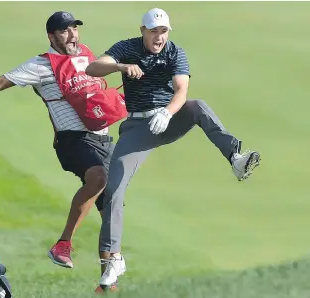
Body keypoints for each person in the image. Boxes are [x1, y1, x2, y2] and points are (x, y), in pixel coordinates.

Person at [0, 11, 124, 284]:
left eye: (75, 29)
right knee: (98, 178)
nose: (72, 35)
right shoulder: (41, 65)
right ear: (51, 36)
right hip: (72, 141)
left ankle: (107, 285)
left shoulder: (90, 57)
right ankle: (63, 244)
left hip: (103, 141)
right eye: (65, 31)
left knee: (111, 211)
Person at [85, 7, 262, 288]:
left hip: (167, 118)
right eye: (153, 31)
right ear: (143, 31)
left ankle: (236, 158)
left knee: (198, 107)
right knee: (114, 190)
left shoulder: (175, 52)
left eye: (163, 31)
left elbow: (182, 90)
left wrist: (167, 113)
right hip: (137, 128)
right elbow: (92, 67)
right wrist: (121, 66)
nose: (159, 37)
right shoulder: (127, 48)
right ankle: (113, 260)